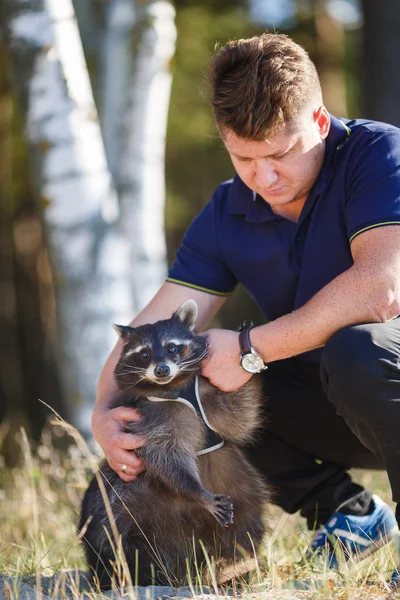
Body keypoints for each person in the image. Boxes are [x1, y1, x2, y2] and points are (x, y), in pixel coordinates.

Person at [92, 32, 400, 571]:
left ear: (321, 123)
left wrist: (250, 347)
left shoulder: (379, 156)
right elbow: (149, 328)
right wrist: (103, 412)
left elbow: (382, 288)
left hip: (383, 373)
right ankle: (348, 515)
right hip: (337, 407)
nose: (265, 177)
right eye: (244, 157)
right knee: (196, 376)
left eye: (280, 154)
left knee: (357, 348)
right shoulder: (228, 211)